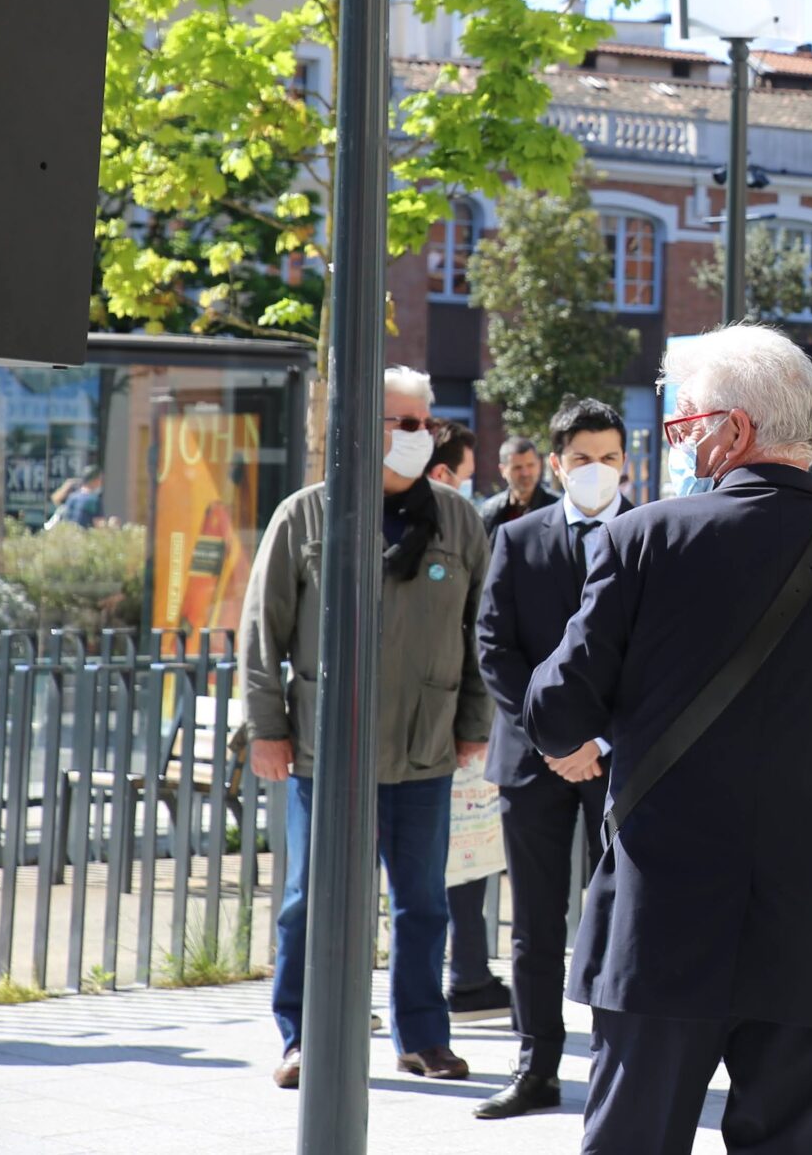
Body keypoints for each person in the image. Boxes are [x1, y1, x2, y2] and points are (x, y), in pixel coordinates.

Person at [523, 324, 812, 1155]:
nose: (681, 443)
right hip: (810, 928)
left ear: (734, 430)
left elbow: (554, 715)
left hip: (662, 923)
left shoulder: (641, 539)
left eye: (686, 425)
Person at [239, 366, 491, 1090]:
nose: (421, 438)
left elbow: (483, 635)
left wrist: (474, 723)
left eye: (426, 425)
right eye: (406, 425)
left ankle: (422, 1036)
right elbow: (263, 633)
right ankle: (303, 1035)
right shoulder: (308, 516)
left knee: (422, 905)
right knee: (308, 905)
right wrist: (266, 728)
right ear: (365, 428)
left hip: (424, 749)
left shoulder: (459, 520)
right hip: (328, 749)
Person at [472, 397, 633, 1120]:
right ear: (557, 464)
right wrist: (553, 738)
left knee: (618, 916)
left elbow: (657, 658)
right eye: (581, 459)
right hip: (534, 761)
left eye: (608, 457)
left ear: (625, 462)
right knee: (535, 925)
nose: (595, 470)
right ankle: (536, 1064)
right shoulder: (519, 538)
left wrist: (598, 741)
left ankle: (616, 1064)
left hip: (618, 761)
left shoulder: (649, 534)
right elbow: (495, 647)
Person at [424, 420, 513, 1030]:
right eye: (462, 471)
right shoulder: (458, 524)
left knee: (456, 861)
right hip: (437, 731)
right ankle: (464, 976)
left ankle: (465, 976)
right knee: (450, 862)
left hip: (448, 726)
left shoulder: (461, 526)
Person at [481, 433, 558, 536]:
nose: (525, 473)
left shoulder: (556, 507)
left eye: (530, 465)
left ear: (539, 465)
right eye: (517, 467)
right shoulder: (490, 512)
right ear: (503, 470)